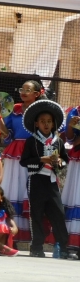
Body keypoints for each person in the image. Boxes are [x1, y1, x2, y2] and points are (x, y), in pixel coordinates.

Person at [20, 99, 75, 259]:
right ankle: (36, 247)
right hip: (35, 181)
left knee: (58, 214)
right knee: (36, 214)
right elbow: (23, 161)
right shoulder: (31, 141)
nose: (46, 124)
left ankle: (63, 247)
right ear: (36, 123)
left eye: (49, 122)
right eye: (42, 121)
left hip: (52, 182)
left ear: (53, 124)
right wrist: (40, 160)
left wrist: (59, 162)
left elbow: (65, 160)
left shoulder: (58, 141)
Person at [0, 80, 46, 243]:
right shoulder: (14, 108)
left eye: (28, 89)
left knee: (30, 191)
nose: (23, 92)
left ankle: (34, 237)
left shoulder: (42, 110)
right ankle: (11, 234)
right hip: (15, 153)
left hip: (34, 152)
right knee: (12, 188)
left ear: (37, 94)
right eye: (22, 89)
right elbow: (7, 135)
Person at [61, 104, 80, 250]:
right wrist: (71, 126)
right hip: (78, 158)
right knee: (77, 195)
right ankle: (73, 245)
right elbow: (70, 138)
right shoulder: (75, 111)